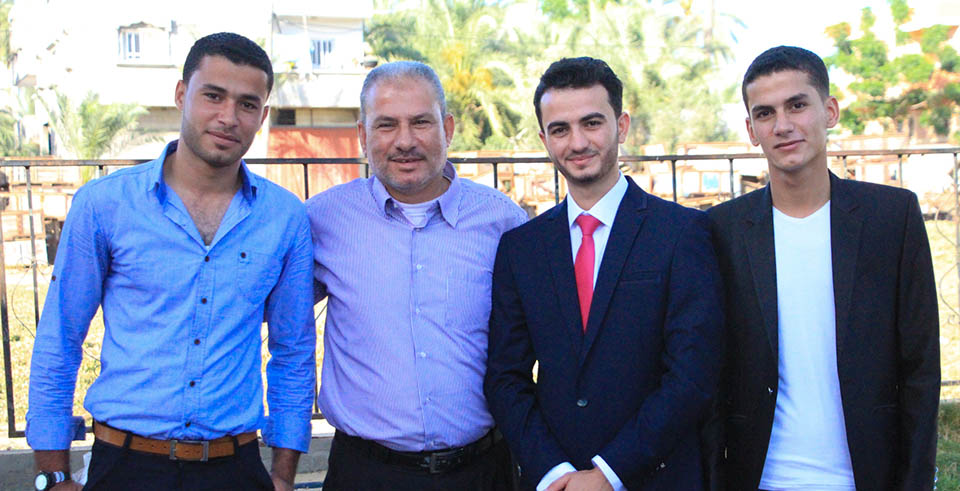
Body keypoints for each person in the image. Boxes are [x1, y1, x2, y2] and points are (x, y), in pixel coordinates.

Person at [26, 32, 316, 491]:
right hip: (125, 465)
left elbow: (294, 350)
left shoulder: (284, 218)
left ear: (262, 116)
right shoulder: (105, 205)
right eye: (213, 96)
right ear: (182, 94)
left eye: (246, 104)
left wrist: (283, 475)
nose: (228, 117)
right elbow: (60, 337)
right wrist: (52, 473)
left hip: (235, 468)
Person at [484, 56, 723, 491]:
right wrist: (554, 471)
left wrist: (609, 473)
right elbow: (505, 377)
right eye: (560, 129)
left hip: (654, 478)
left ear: (622, 125)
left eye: (592, 123)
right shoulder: (521, 248)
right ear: (544, 139)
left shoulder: (681, 232)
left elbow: (692, 374)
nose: (577, 142)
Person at [707, 45, 940, 490]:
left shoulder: (892, 218)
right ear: (751, 130)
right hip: (762, 477)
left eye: (797, 105)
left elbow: (921, 369)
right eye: (765, 113)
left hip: (865, 476)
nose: (783, 125)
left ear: (829, 111)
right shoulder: (722, 230)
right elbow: (711, 375)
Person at [306, 60, 527, 490]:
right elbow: (265, 312)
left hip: (482, 472)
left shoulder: (503, 222)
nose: (405, 141)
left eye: (421, 122)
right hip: (366, 475)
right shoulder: (322, 220)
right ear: (362, 135)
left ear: (448, 128)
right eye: (386, 125)